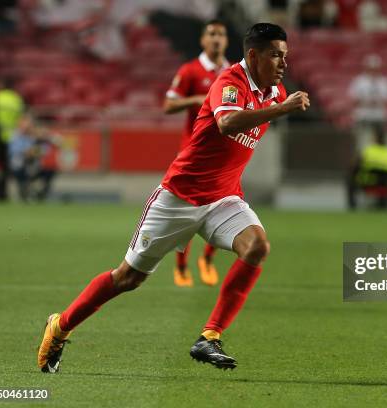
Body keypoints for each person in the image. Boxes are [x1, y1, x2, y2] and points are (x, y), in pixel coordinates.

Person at [37, 22, 310, 373]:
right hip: (178, 198)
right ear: (253, 55)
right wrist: (283, 109)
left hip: (222, 200)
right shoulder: (230, 83)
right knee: (127, 279)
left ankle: (209, 337)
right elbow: (228, 125)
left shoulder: (274, 92)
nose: (283, 63)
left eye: (285, 56)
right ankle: (59, 327)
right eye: (276, 55)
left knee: (257, 246)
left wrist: (279, 104)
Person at [163, 20, 230, 288]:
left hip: (224, 157)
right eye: (212, 34)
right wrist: (195, 99)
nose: (216, 39)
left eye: (221, 34)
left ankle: (208, 259)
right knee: (189, 215)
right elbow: (168, 105)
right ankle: (181, 266)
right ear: (203, 40)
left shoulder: (232, 73)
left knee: (227, 209)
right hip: (193, 155)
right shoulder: (190, 70)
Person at [347, 125, 387, 210]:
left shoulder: (368, 150)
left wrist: (354, 175)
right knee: (386, 183)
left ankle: (352, 207)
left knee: (350, 181)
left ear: (375, 138)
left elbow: (356, 167)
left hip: (367, 183)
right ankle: (383, 206)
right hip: (384, 184)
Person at [348, 53, 387, 144]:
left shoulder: (385, 82)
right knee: (360, 140)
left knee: (381, 141)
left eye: (375, 68)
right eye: (371, 68)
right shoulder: (359, 81)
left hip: (379, 115)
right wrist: (366, 102)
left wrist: (377, 102)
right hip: (362, 115)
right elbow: (353, 99)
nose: (373, 71)